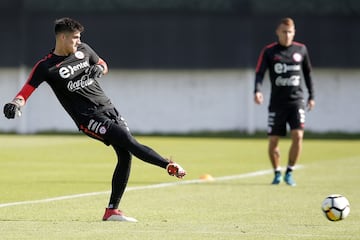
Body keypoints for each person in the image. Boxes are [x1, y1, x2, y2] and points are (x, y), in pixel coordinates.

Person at [3, 17, 186, 222]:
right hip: (88, 118)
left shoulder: (84, 49)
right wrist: (15, 104)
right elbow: (25, 91)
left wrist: (99, 68)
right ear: (62, 37)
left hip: (109, 108)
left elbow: (102, 64)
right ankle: (168, 165)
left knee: (125, 155)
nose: (78, 41)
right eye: (74, 37)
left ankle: (112, 211)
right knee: (127, 140)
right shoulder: (46, 66)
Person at [254, 17, 315, 186]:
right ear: (277, 32)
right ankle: (276, 173)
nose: (287, 35)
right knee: (273, 140)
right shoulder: (269, 52)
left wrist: (312, 96)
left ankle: (289, 171)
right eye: (284, 32)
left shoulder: (301, 50)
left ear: (294, 32)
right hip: (277, 102)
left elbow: (308, 74)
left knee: (298, 135)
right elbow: (259, 73)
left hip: (296, 101)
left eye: (290, 32)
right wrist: (257, 90)